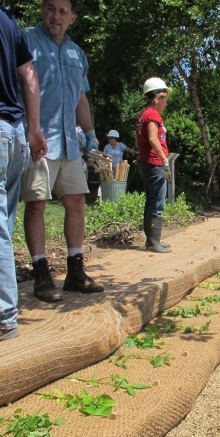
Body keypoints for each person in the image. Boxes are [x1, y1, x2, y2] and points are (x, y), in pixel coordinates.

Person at [19, 0, 104, 303]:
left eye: (62, 11)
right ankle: (42, 275)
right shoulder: (25, 40)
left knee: (77, 202)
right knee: (37, 203)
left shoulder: (76, 53)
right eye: (50, 8)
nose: (56, 16)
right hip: (38, 140)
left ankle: (75, 273)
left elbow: (81, 98)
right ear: (42, 9)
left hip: (69, 141)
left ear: (73, 18)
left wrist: (91, 136)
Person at [0, 5, 47, 340]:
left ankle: (4, 316)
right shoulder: (6, 19)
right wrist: (33, 129)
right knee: (5, 222)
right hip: (14, 133)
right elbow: (28, 72)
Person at [136, 77, 172, 253]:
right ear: (158, 97)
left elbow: (138, 143)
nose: (166, 102)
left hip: (146, 162)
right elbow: (152, 138)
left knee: (151, 201)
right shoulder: (152, 115)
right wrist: (164, 160)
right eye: (165, 98)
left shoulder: (143, 115)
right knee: (157, 202)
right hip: (154, 163)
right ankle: (154, 242)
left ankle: (152, 240)